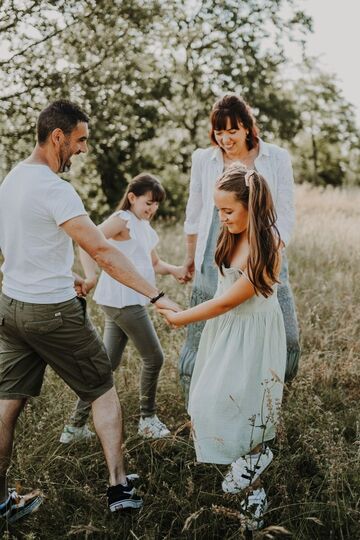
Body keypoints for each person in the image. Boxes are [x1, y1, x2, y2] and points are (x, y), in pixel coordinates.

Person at [0, 100, 179, 523]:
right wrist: (155, 296)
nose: (83, 149)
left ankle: (1, 500)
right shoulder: (55, 188)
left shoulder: (11, 180)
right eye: (80, 140)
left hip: (10, 307)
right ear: (57, 137)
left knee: (6, 403)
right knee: (102, 389)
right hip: (53, 313)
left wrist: (61, 276)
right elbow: (98, 247)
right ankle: (119, 488)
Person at [159, 164, 286, 530]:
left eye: (228, 211)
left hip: (253, 335)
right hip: (227, 332)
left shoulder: (267, 245)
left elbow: (229, 300)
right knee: (207, 399)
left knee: (245, 403)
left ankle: (254, 484)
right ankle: (248, 462)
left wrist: (182, 318)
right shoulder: (231, 236)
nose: (222, 217)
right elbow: (219, 295)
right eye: (219, 210)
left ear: (252, 206)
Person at [178, 94, 300, 400]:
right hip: (214, 250)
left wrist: (269, 249)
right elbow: (195, 213)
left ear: (247, 127)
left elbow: (285, 211)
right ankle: (199, 394)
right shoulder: (203, 160)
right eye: (219, 132)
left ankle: (266, 392)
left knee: (283, 330)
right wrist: (190, 258)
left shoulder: (275, 157)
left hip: (265, 245)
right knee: (208, 328)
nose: (225, 139)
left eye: (232, 131)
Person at [60, 173, 184, 443]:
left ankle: (74, 428)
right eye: (148, 202)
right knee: (155, 358)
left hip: (125, 301)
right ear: (132, 198)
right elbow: (87, 241)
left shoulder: (144, 227)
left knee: (107, 365)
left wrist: (176, 270)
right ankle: (147, 419)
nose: (152, 209)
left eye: (156, 204)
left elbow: (154, 264)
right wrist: (90, 275)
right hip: (123, 300)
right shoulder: (123, 219)